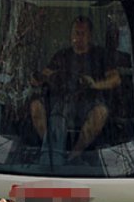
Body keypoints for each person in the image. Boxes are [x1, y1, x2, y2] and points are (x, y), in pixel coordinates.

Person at [30, 16, 121, 161]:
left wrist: (94, 84)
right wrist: (38, 79)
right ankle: (51, 150)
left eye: (82, 33)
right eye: (75, 33)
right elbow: (44, 75)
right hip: (61, 100)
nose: (78, 37)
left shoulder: (100, 55)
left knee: (100, 113)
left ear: (90, 35)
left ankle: (75, 154)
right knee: (36, 106)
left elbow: (115, 79)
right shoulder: (61, 55)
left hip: (89, 101)